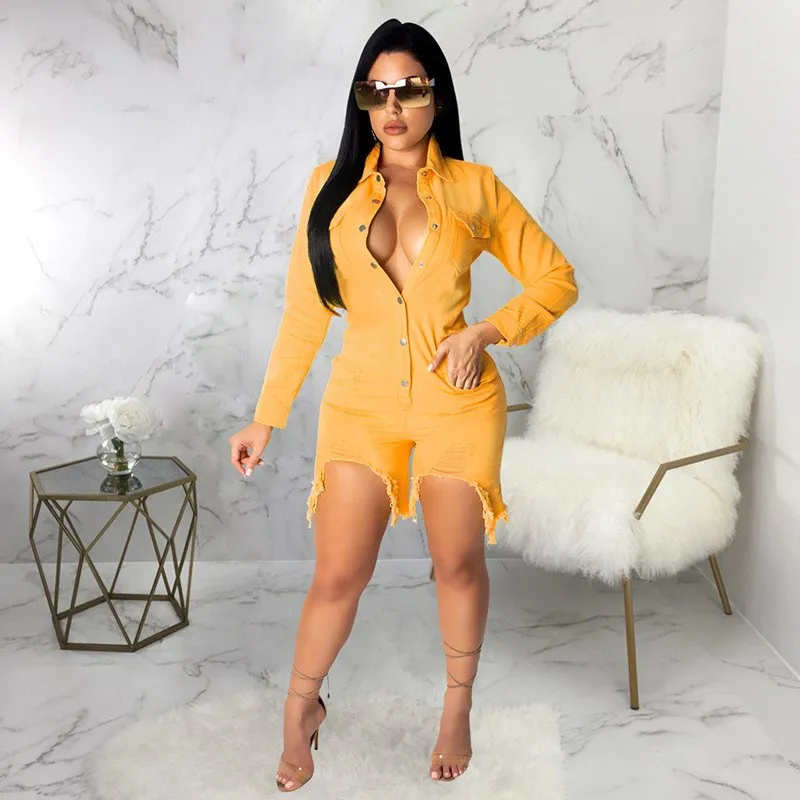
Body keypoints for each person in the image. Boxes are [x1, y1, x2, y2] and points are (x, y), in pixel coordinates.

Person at [228, 18, 579, 793]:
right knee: (337, 575)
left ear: (436, 98)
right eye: (376, 92)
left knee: (456, 562)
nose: (392, 107)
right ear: (362, 101)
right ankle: (300, 708)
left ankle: (457, 707)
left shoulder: (476, 189)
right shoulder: (329, 187)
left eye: (410, 90)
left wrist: (484, 332)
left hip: (457, 403)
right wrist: (266, 416)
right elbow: (305, 313)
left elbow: (556, 278)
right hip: (360, 406)